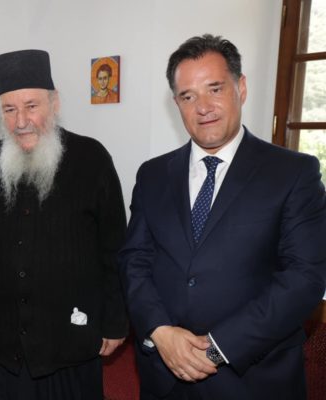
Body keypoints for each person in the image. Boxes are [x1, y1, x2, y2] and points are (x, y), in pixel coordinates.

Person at [120, 34, 326, 400]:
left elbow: (304, 278)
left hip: (252, 380)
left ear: (240, 88)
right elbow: (134, 261)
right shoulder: (152, 175)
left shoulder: (293, 173)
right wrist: (160, 332)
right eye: (188, 96)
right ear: (176, 104)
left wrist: (217, 349)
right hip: (164, 376)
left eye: (215, 89)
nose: (203, 107)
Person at [0, 49, 128, 399]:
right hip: (6, 348)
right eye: (9, 109)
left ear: (55, 103)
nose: (21, 120)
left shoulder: (92, 158)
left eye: (31, 106)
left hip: (72, 345)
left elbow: (116, 249)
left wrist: (115, 321)